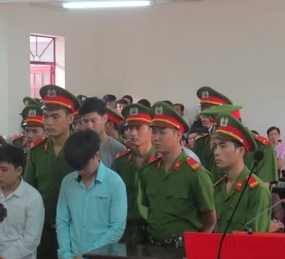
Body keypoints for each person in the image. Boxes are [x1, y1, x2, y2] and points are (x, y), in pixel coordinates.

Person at [24, 85, 79, 259]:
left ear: (70, 118)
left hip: (75, 233)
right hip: (44, 232)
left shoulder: (80, 150)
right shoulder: (37, 151)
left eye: (55, 117)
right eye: (46, 116)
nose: (48, 122)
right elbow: (29, 192)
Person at [138, 102, 216, 245]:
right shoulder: (148, 171)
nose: (156, 138)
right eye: (154, 132)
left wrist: (197, 246)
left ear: (178, 135)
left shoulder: (194, 172)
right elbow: (148, 210)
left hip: (182, 248)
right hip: (153, 246)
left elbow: (210, 220)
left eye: (162, 132)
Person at [56, 129, 127, 259]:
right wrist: (66, 256)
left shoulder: (114, 182)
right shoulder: (67, 182)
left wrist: (87, 257)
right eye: (76, 167)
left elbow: (117, 228)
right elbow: (62, 222)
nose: (81, 171)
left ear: (97, 155)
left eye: (84, 166)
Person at [211, 114, 271, 233]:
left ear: (240, 151)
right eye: (215, 146)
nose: (216, 152)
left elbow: (256, 238)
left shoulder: (257, 191)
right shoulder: (217, 188)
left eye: (223, 146)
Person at [114, 103, 160, 244]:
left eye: (138, 128)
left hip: (155, 232)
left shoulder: (161, 161)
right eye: (130, 128)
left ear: (151, 130)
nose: (132, 133)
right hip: (125, 232)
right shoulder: (121, 162)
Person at [192, 86, 234, 173]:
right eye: (202, 111)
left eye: (209, 112)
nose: (204, 116)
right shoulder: (200, 143)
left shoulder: (234, 143)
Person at [78, 97, 126, 169]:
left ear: (105, 119)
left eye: (93, 121)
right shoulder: (76, 145)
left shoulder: (117, 149)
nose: (89, 126)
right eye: (85, 121)